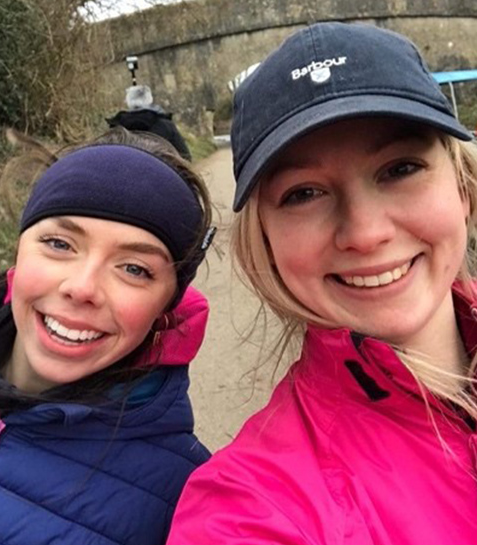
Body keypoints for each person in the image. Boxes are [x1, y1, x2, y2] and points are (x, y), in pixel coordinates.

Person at [166, 22, 477, 544]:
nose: (366, 232)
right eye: (304, 193)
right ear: (263, 239)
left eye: (400, 168)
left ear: (462, 189)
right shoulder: (249, 508)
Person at [0, 127, 214, 544]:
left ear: (164, 311)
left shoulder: (182, 498)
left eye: (134, 269)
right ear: (19, 250)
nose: (81, 288)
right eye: (59, 244)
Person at [107, 85, 192, 161]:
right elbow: (185, 157)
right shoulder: (166, 125)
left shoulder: (116, 129)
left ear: (128, 101)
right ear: (149, 99)